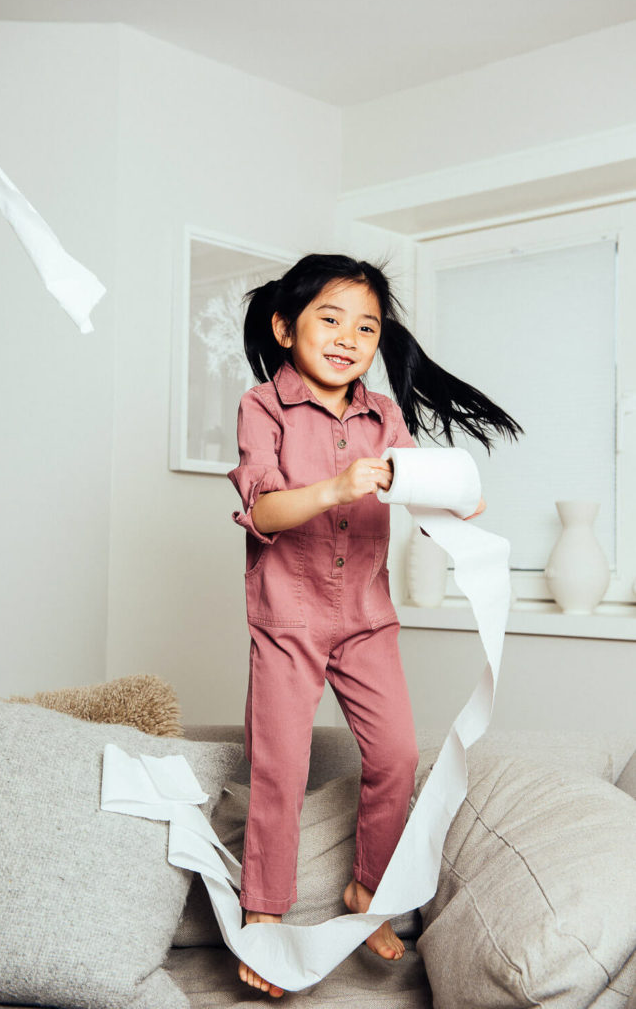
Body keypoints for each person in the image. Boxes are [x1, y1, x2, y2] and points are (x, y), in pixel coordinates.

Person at [227, 253, 523, 997]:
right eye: (330, 319)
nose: (348, 337)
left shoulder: (383, 414)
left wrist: (452, 502)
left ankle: (369, 889)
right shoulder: (261, 406)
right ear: (283, 326)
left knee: (394, 756)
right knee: (279, 765)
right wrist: (333, 485)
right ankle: (262, 911)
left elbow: (421, 495)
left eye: (366, 326)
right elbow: (262, 510)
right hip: (288, 614)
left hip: (364, 614)